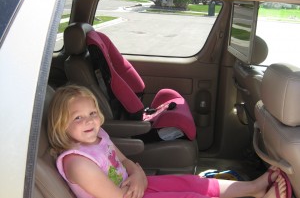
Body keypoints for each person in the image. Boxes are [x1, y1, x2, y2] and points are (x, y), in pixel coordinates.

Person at [47, 85, 288, 198]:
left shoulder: (100, 136)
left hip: (133, 186)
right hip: (127, 195)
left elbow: (125, 160)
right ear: (61, 124)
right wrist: (138, 177)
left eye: (92, 113)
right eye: (78, 118)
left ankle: (253, 188)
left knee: (192, 183)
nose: (89, 121)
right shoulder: (78, 163)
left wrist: (138, 173)